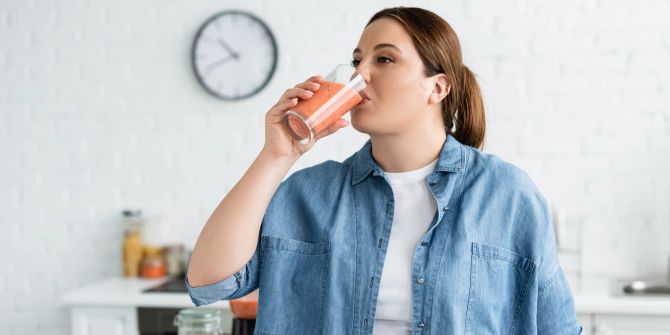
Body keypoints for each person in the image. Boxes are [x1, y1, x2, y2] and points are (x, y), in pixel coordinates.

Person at [186, 6, 582, 335]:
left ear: (438, 88)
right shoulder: (308, 193)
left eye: (385, 59)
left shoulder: (506, 195)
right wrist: (277, 155)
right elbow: (208, 283)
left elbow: (558, 327)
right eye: (358, 60)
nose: (362, 74)